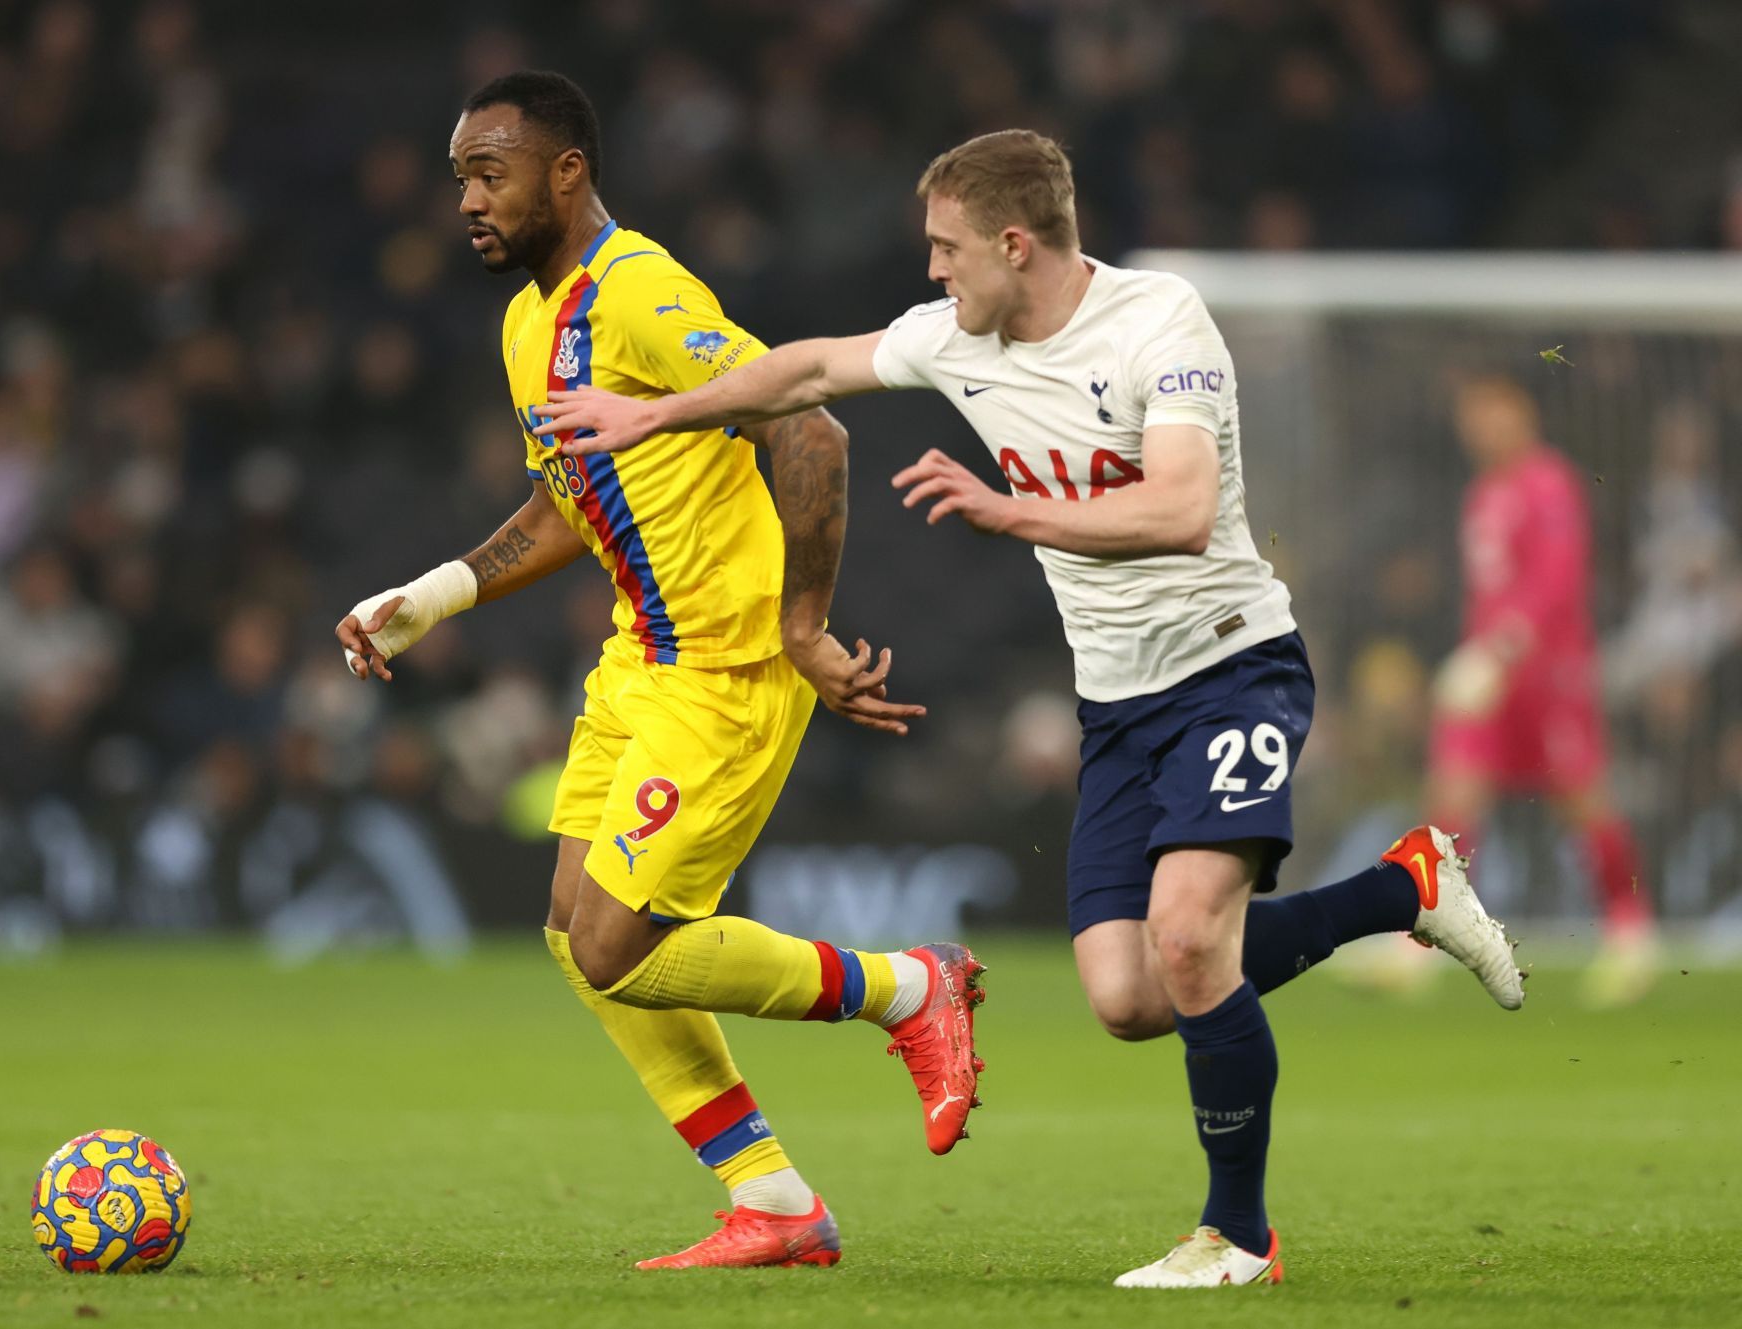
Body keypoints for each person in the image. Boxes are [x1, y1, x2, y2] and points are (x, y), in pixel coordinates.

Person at [534, 128, 1526, 1289]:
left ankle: (1239, 1239)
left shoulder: (1163, 322)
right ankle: (1403, 887)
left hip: (1231, 666)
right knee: (1130, 996)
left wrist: (1012, 513)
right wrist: (660, 413)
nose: (935, 274)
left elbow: (1182, 508)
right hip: (1116, 707)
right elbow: (802, 372)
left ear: (1017, 243)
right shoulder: (958, 338)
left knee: (1194, 937)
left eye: (949, 249)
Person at [335, 72, 984, 1272]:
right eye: (460, 178)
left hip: (731, 664)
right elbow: (567, 503)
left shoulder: (641, 290)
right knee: (572, 935)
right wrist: (430, 597)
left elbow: (809, 424)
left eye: (492, 173)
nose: (468, 201)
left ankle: (907, 987)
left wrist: (802, 623)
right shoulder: (531, 324)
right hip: (641, 658)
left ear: (566, 172)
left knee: (615, 946)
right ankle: (776, 1204)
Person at [1431, 375, 1657, 1006]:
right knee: (1454, 793)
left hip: (1547, 675)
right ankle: (1415, 945)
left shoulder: (1548, 483)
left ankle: (1631, 933)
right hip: (1492, 676)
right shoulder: (1483, 493)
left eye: (1492, 410)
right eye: (1471, 416)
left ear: (1521, 409)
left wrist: (1501, 649)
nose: (1481, 427)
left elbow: (1557, 580)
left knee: (1583, 800)